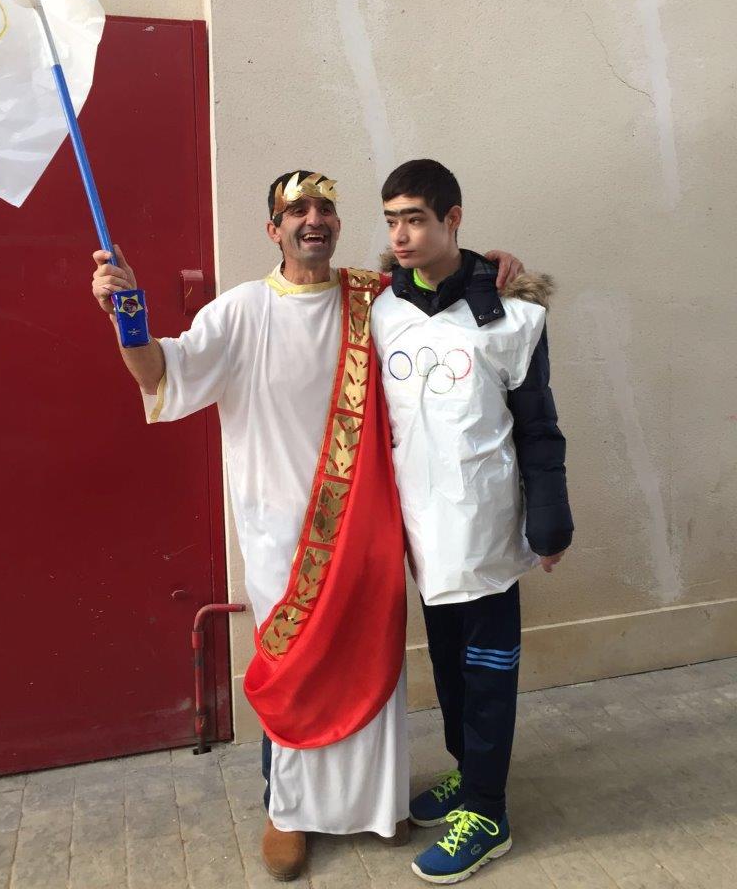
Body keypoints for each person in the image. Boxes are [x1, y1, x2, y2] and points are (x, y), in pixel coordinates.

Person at [91, 169, 524, 881]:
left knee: (373, 666)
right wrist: (127, 314)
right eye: (296, 209)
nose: (313, 218)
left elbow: (446, 290)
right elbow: (157, 375)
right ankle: (287, 812)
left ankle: (376, 808)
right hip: (279, 537)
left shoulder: (376, 300)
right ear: (274, 230)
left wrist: (495, 265)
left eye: (325, 206)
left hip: (369, 528)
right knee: (294, 672)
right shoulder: (238, 313)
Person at [371, 159, 574, 884]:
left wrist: (550, 522)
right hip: (421, 535)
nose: (400, 233)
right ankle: (467, 770)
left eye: (416, 218)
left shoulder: (513, 317)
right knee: (451, 670)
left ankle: (488, 812)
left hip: (485, 528)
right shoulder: (379, 310)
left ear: (454, 218)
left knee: (488, 674)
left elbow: (539, 429)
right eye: (392, 218)